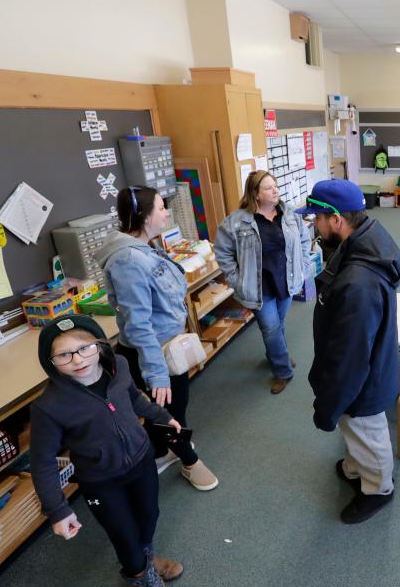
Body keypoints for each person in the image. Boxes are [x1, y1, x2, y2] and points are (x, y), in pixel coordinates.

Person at [30, 315, 183, 587]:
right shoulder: (48, 406)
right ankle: (138, 574)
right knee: (123, 534)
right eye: (64, 355)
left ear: (100, 345)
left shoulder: (119, 367)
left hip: (141, 460)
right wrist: (58, 510)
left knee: (149, 515)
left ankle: (146, 558)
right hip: (100, 481)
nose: (78, 360)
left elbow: (135, 398)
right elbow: (42, 462)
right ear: (49, 362)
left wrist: (161, 417)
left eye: (85, 348)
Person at [96, 186, 219, 491]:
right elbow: (138, 325)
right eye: (162, 208)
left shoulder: (144, 247)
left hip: (167, 346)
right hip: (150, 353)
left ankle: (162, 450)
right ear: (144, 215)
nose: (166, 213)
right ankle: (190, 461)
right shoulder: (127, 260)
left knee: (173, 406)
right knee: (168, 413)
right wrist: (156, 373)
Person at [297, 180, 400, 524]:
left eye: (316, 218)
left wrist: (328, 406)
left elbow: (350, 359)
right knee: (356, 433)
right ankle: (356, 470)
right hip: (367, 370)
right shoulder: (366, 239)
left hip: (362, 383)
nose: (314, 224)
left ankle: (378, 490)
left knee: (370, 438)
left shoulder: (358, 284)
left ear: (337, 219)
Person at [214, 171, 310, 394]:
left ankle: (277, 354)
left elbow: (304, 240)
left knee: (278, 325)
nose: (275, 190)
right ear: (255, 194)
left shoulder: (289, 215)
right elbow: (222, 252)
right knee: (271, 328)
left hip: (285, 281)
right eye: (268, 188)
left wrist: (303, 266)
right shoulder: (236, 222)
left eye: (275, 186)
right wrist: (236, 280)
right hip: (258, 286)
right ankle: (283, 371)